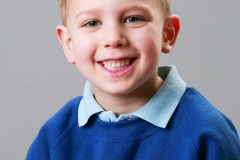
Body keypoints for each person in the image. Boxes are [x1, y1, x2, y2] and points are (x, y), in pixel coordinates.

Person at [26, 0, 240, 159]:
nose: (113, 39)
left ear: (167, 33)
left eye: (133, 19)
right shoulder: (54, 137)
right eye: (92, 23)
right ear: (69, 43)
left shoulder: (206, 133)